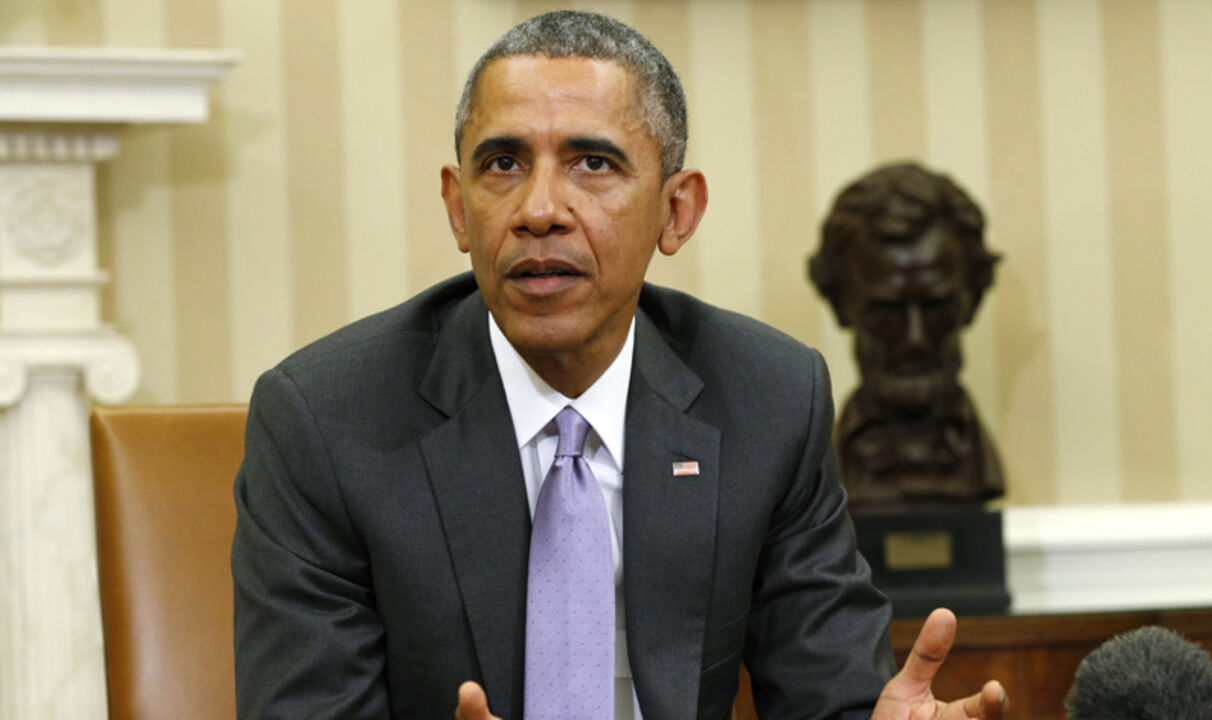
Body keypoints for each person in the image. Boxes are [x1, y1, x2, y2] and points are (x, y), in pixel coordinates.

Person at [231, 11, 1007, 720]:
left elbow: (826, 694)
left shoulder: (768, 399)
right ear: (458, 207)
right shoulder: (325, 421)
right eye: (502, 163)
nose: (539, 208)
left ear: (677, 211)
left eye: (592, 163)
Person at [809, 163, 1004, 510]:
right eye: (887, 310)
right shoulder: (825, 466)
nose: (916, 339)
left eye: (937, 307)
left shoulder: (974, 457)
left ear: (972, 299)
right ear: (840, 303)